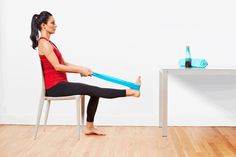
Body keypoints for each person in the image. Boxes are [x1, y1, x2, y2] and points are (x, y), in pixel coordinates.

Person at [30, 11, 141, 136]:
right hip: (54, 87)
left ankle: (89, 127)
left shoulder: (49, 43)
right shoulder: (44, 43)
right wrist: (79, 70)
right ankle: (131, 92)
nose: (56, 25)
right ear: (43, 26)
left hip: (60, 84)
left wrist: (82, 68)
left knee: (94, 92)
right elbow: (57, 67)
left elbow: (64, 63)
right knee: (94, 89)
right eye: (53, 23)